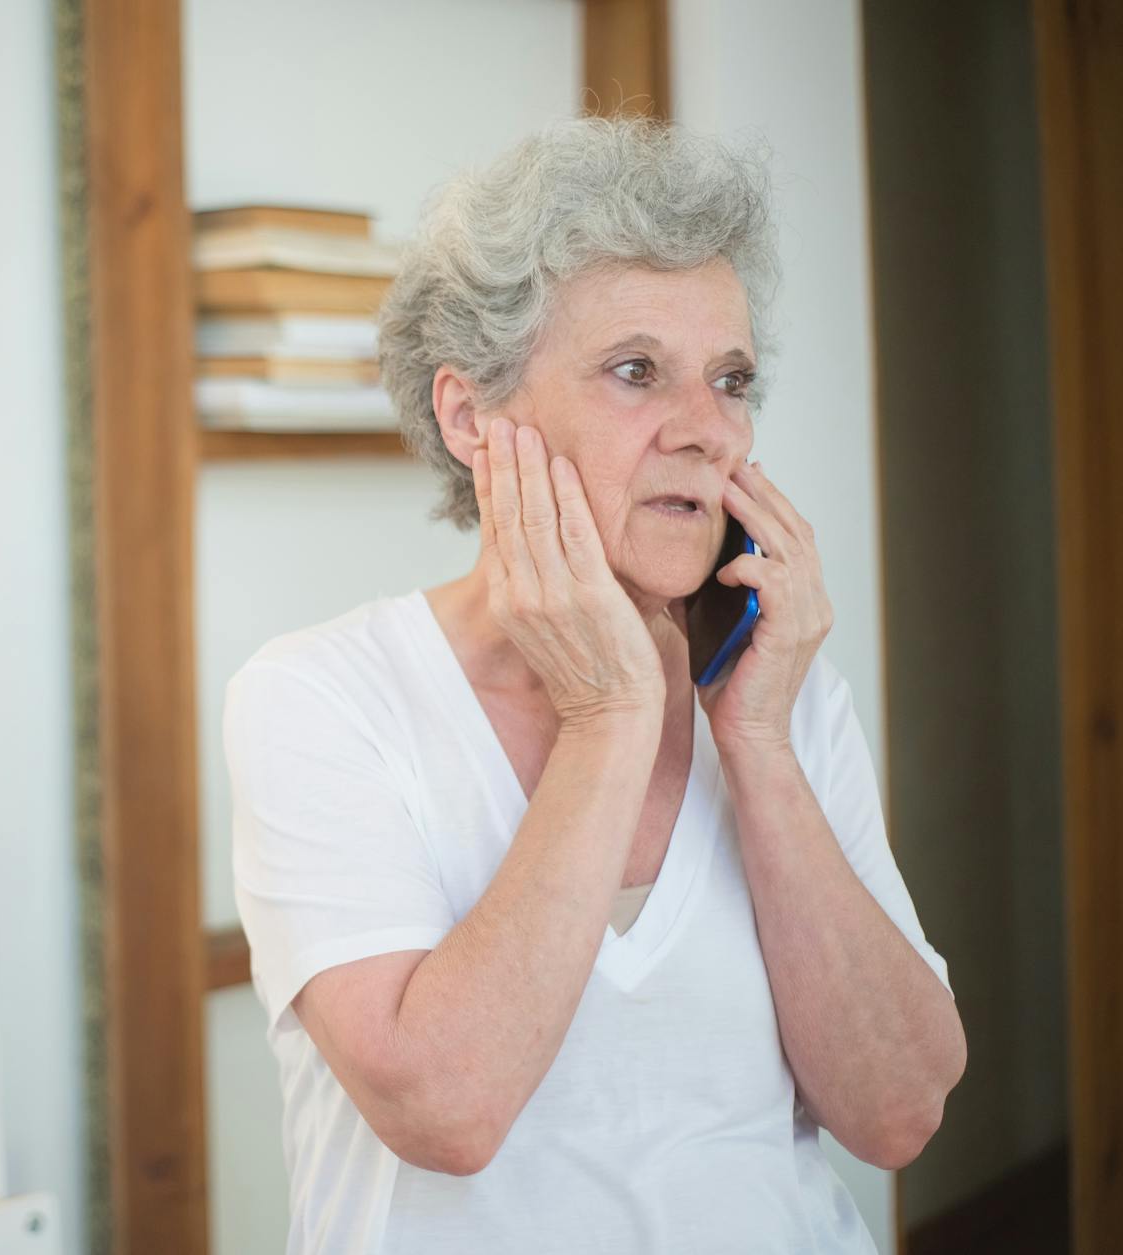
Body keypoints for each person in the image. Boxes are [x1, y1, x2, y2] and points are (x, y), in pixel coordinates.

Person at [223, 114, 966, 1254]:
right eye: (635, 372)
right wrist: (611, 712)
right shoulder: (319, 699)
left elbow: (897, 1110)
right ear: (470, 416)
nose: (708, 433)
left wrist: (757, 743)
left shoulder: (779, 691)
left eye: (729, 378)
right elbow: (447, 1108)